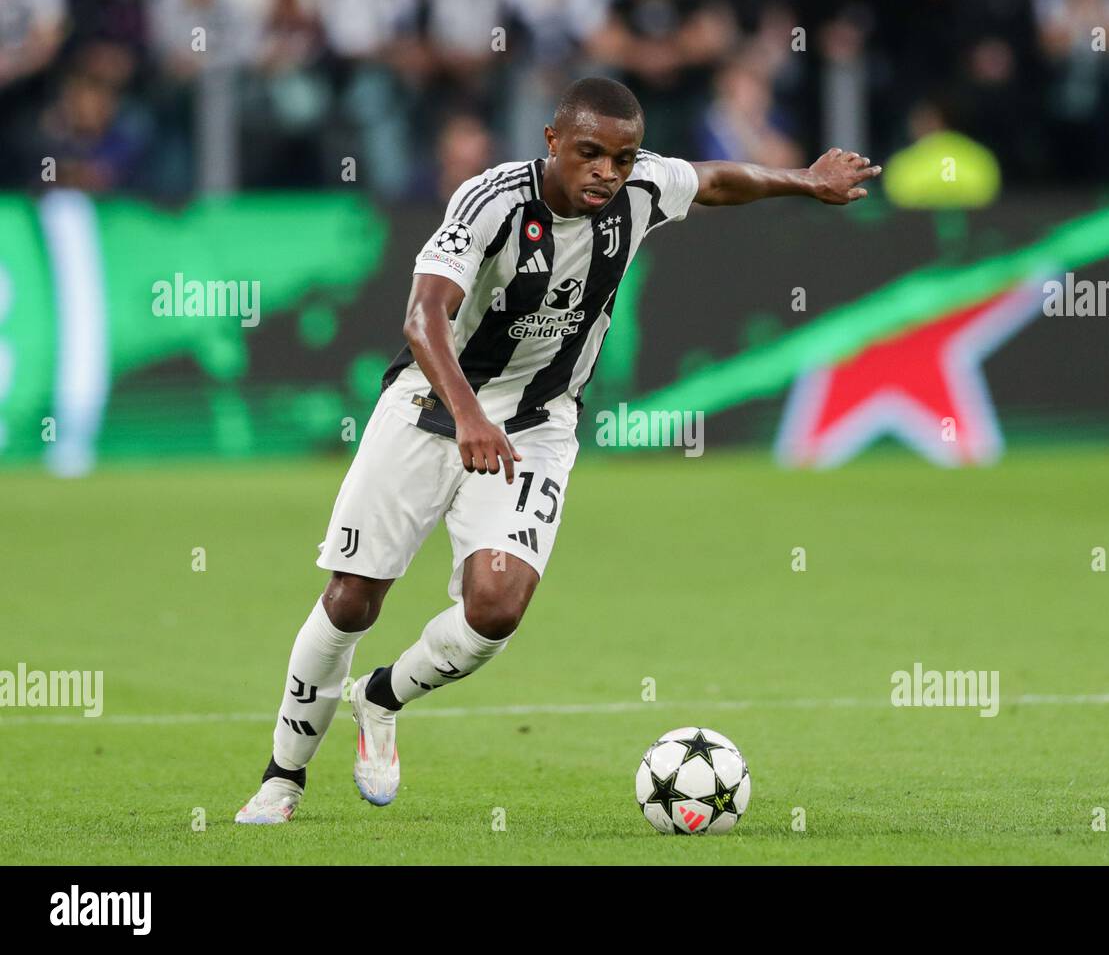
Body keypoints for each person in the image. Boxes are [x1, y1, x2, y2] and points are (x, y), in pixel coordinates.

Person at [236, 76, 881, 823]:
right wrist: (470, 414)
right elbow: (422, 317)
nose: (608, 170)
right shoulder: (492, 202)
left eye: (623, 156)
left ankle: (382, 697)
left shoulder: (640, 189)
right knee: (352, 598)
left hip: (537, 425)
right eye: (590, 152)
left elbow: (714, 180)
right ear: (552, 142)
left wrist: (804, 181)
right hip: (428, 406)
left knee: (496, 608)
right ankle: (282, 780)